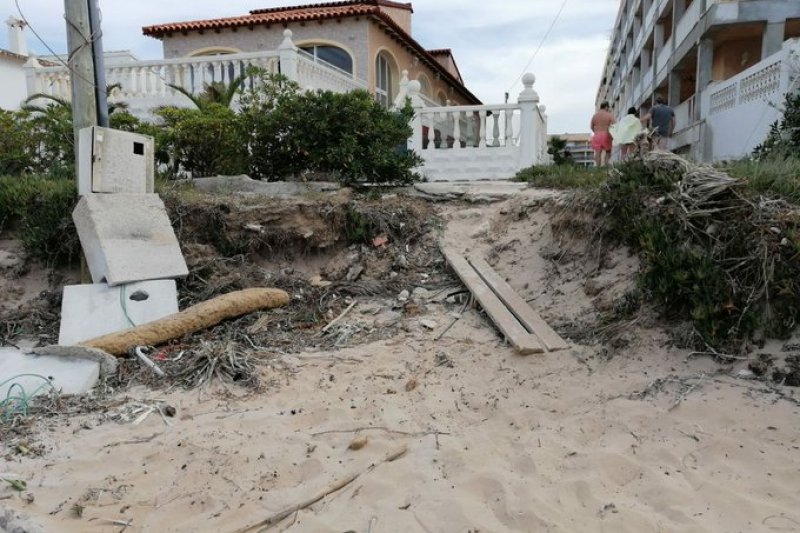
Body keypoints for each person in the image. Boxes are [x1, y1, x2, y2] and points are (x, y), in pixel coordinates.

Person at [590, 102, 615, 166]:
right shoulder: (609, 115)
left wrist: (596, 131)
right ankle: (606, 166)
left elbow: (591, 127)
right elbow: (614, 124)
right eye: (608, 107)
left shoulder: (595, 116)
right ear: (606, 107)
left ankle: (598, 168)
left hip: (597, 135)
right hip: (606, 134)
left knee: (598, 153)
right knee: (608, 151)